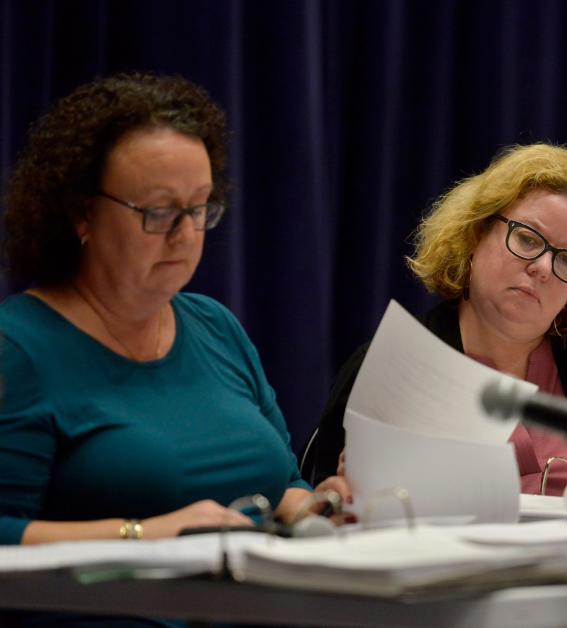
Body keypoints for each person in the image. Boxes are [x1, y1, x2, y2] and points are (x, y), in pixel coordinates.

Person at [0, 72, 335, 547]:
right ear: (81, 213)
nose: (185, 234)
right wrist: (139, 534)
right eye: (158, 212)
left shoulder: (216, 327)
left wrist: (324, 511)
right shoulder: (18, 350)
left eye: (199, 208)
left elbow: (283, 490)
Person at [302, 143, 567, 497]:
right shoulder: (393, 364)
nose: (543, 268)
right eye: (528, 239)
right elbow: (326, 509)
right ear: (475, 234)